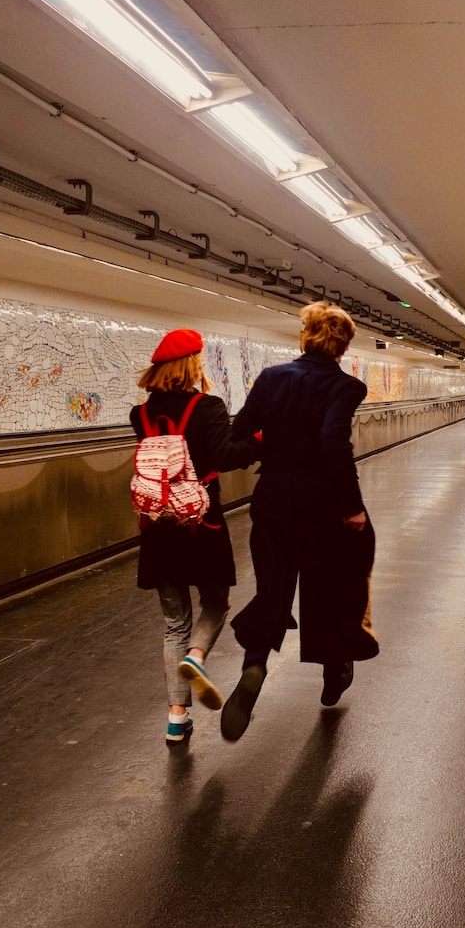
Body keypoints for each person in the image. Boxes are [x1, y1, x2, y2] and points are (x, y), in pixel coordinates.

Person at [223, 301, 379, 741]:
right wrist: (351, 505)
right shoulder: (347, 387)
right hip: (323, 508)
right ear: (343, 344)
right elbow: (334, 442)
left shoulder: (272, 378)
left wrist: (273, 446)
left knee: (273, 586)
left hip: (273, 501)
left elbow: (241, 432)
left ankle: (255, 663)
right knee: (333, 585)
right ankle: (336, 667)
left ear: (305, 336)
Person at [130, 329, 260, 744]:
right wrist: (259, 440)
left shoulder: (141, 415)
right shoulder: (208, 407)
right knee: (216, 603)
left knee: (173, 622)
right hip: (201, 525)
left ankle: (176, 716)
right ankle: (197, 656)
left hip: (157, 527)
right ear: (190, 365)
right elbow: (227, 456)